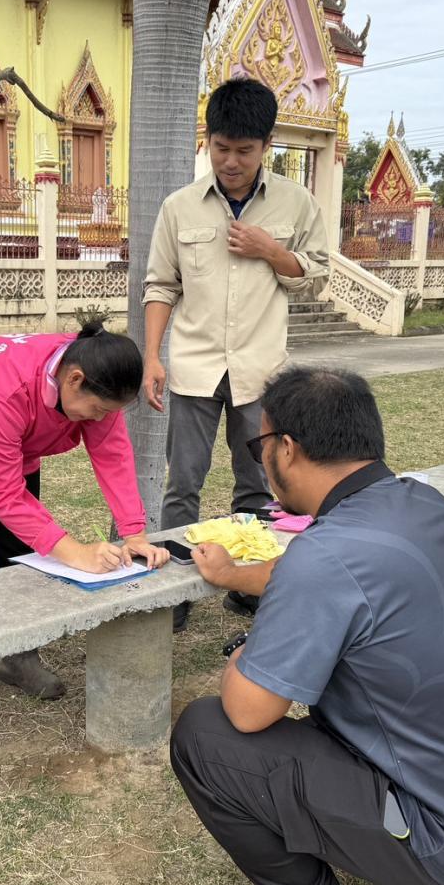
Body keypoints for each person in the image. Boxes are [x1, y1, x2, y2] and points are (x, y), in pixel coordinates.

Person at [171, 366, 444, 885]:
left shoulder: (325, 558)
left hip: (442, 841)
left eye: (259, 444)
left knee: (204, 734)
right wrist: (238, 575)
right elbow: (324, 573)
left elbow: (248, 711)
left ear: (285, 448)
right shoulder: (421, 504)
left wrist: (250, 649)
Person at [141, 77, 330, 630]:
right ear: (209, 140)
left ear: (266, 145)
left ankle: (249, 589)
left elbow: (316, 278)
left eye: (244, 150)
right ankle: (175, 596)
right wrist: (153, 356)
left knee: (259, 485)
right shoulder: (180, 209)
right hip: (195, 370)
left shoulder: (297, 204)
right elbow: (160, 286)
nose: (231, 161)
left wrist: (273, 252)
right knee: (184, 485)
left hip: (260, 371)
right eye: (220, 148)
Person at [0, 323, 170, 712]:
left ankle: (17, 657)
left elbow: (113, 457)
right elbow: (5, 494)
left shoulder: (98, 380)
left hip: (16, 441)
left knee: (17, 548)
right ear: (74, 379)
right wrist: (74, 552)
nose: (100, 418)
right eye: (97, 409)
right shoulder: (6, 387)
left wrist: (134, 533)